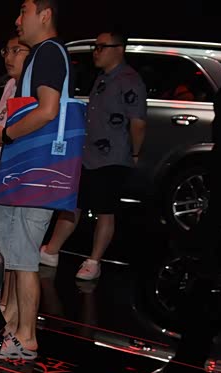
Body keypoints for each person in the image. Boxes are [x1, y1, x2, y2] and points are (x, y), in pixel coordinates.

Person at [0, 0, 72, 360]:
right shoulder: (42, 54)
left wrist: (6, 135)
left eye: (24, 12)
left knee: (25, 258)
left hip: (37, 172)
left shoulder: (48, 53)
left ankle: (26, 338)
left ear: (44, 15)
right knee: (16, 255)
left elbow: (48, 110)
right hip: (26, 171)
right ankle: (14, 326)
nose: (18, 20)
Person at [39, 32, 146, 280]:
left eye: (102, 47)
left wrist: (135, 153)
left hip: (113, 156)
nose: (96, 52)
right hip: (88, 155)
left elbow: (138, 122)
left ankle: (94, 261)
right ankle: (51, 250)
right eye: (95, 47)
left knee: (105, 210)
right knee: (73, 204)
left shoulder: (130, 80)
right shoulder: (103, 78)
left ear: (119, 49)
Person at [0, 36, 30, 312]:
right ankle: (2, 302)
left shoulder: (29, 88)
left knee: (12, 252)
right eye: (6, 50)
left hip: (12, 177)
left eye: (16, 51)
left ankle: (7, 306)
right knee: (0, 244)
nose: (8, 57)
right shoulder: (11, 84)